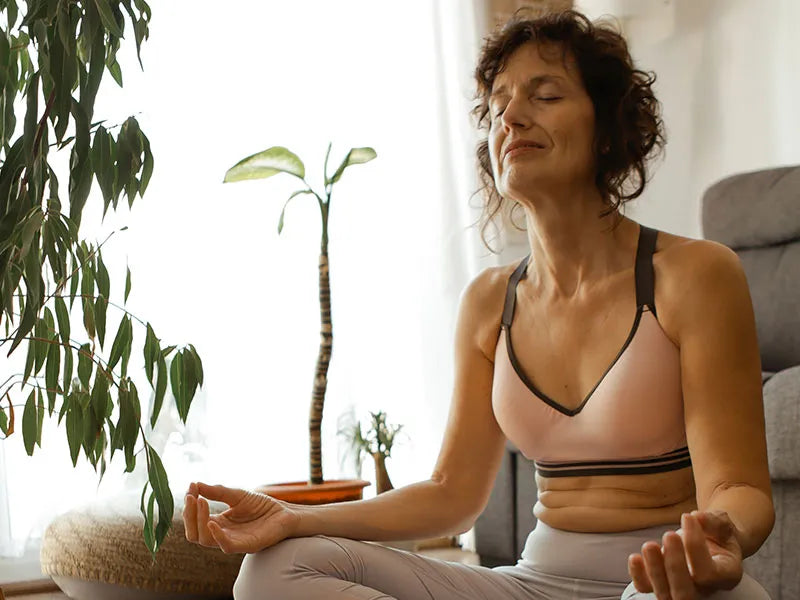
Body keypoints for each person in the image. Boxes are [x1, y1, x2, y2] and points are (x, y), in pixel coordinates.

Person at [183, 9, 774, 599]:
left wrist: (722, 535)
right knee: (277, 568)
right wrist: (294, 517)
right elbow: (452, 493)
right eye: (497, 107)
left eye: (545, 96)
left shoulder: (693, 274)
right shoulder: (491, 302)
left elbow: (739, 487)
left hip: (663, 580)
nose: (511, 117)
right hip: (535, 583)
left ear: (607, 127)